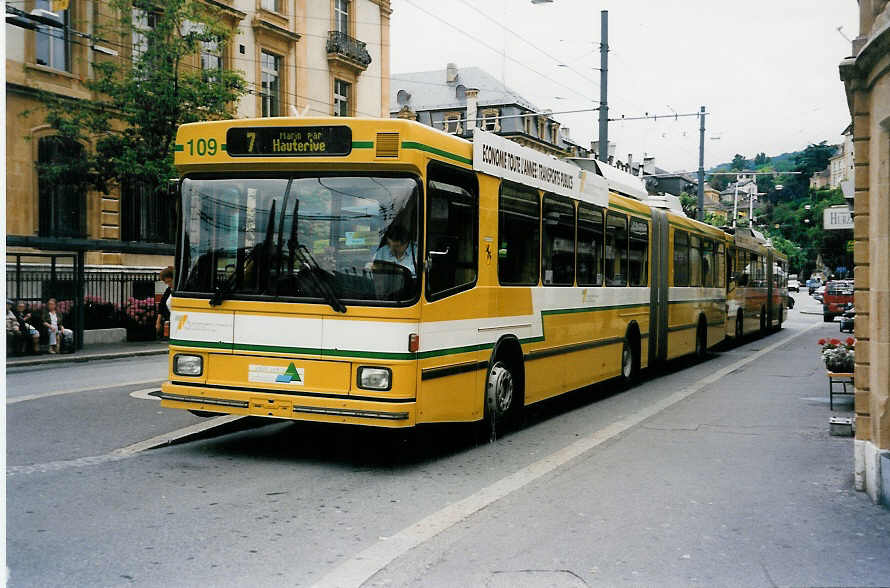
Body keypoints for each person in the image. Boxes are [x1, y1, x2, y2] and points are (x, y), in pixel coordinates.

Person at [156, 266, 174, 338]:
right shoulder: (168, 290)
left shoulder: (181, 289)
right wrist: (158, 322)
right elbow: (162, 305)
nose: (168, 284)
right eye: (166, 282)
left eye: (169, 281)